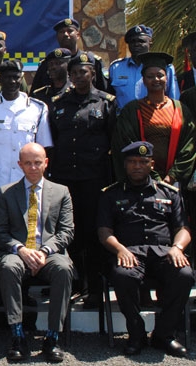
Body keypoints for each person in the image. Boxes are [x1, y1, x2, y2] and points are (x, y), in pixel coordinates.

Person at [98, 141, 192, 357]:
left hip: (163, 253)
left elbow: (183, 228)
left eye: (142, 161)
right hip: (129, 254)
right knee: (122, 275)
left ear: (152, 164)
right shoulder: (110, 194)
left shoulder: (169, 193)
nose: (137, 166)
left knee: (184, 274)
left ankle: (164, 334)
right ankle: (136, 333)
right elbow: (104, 232)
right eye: (132, 162)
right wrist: (120, 249)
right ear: (125, 165)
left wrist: (177, 247)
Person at [0, 143, 74, 364]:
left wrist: (45, 251)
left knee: (64, 269)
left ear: (46, 162)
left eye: (38, 162)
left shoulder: (61, 192)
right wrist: (21, 249)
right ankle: (17, 336)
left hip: (49, 252)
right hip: (18, 252)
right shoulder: (6, 193)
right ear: (20, 165)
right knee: (8, 267)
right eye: (28, 163)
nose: (33, 167)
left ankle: (52, 337)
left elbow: (67, 231)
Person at [47, 52, 116, 307]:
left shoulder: (106, 103)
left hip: (94, 179)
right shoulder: (58, 103)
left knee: (93, 232)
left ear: (93, 74)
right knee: (69, 233)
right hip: (66, 179)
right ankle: (75, 283)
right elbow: (51, 142)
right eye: (74, 72)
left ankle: (96, 287)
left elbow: (112, 141)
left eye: (83, 72)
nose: (78, 76)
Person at [111, 52, 196, 185]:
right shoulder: (131, 110)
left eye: (160, 75)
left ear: (167, 78)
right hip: (140, 181)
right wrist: (153, 177)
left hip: (174, 183)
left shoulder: (180, 109)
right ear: (143, 80)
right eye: (150, 76)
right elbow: (126, 142)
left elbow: (189, 146)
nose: (156, 79)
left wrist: (172, 176)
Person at [0, 60, 52, 205]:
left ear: (21, 78)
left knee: (29, 226)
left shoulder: (37, 108)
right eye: (7, 77)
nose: (12, 81)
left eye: (16, 77)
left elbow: (44, 150)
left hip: (28, 182)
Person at [109, 25, 179, 110]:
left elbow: (174, 98)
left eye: (141, 41)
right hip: (124, 120)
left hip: (155, 118)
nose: (136, 44)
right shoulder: (116, 68)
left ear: (150, 43)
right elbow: (110, 97)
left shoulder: (165, 67)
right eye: (132, 41)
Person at [31, 19, 108, 91]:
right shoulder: (48, 64)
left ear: (78, 35)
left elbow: (104, 90)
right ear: (57, 37)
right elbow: (35, 95)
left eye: (70, 31)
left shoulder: (92, 61)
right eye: (61, 32)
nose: (65, 34)